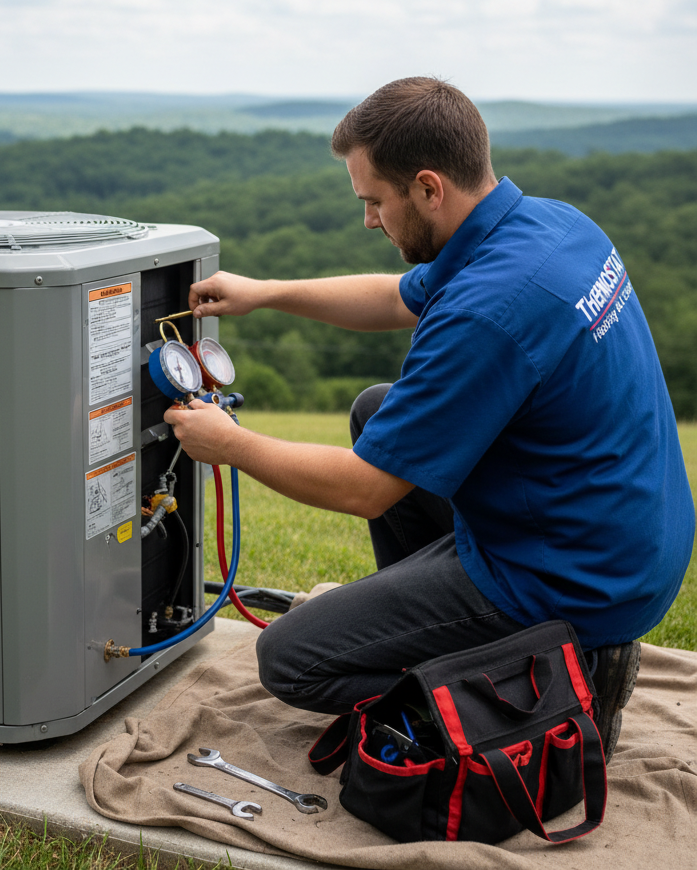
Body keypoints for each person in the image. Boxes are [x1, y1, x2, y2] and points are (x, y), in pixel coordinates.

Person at [163, 77, 694, 760]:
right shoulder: (553, 225)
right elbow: (392, 299)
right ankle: (462, 631)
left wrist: (230, 444)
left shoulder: (489, 311)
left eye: (374, 201)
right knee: (376, 410)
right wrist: (265, 294)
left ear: (428, 188)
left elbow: (364, 488)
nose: (369, 220)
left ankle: (557, 684)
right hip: (622, 536)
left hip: (577, 578)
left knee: (290, 659)